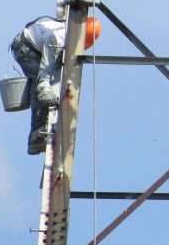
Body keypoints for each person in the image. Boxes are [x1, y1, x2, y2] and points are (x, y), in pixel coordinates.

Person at [9, 15, 101, 155]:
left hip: (35, 47)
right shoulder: (59, 38)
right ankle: (37, 132)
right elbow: (46, 66)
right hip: (25, 47)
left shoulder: (68, 35)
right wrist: (45, 86)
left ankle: (36, 136)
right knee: (41, 84)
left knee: (40, 84)